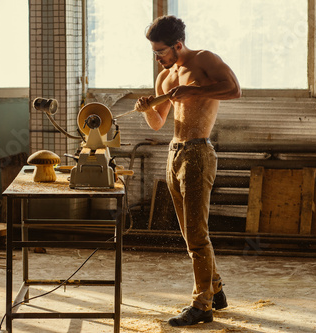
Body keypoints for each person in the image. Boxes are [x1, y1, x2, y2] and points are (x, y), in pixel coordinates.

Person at [135, 15, 241, 326]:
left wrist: (195, 92)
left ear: (178, 45)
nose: (157, 58)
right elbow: (157, 123)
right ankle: (216, 290)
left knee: (197, 235)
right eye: (154, 53)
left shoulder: (204, 59)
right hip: (174, 153)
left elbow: (234, 90)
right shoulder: (165, 79)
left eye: (160, 52)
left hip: (198, 151)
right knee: (189, 235)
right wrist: (147, 110)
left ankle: (202, 305)